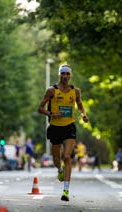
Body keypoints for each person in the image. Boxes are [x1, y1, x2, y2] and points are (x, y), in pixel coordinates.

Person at [37, 64, 89, 202]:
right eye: (63, 74)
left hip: (69, 127)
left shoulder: (75, 91)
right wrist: (52, 113)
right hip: (55, 127)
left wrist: (84, 115)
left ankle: (66, 191)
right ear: (59, 75)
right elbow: (40, 108)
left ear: (70, 75)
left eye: (67, 74)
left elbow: (80, 105)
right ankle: (59, 169)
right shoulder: (51, 91)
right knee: (56, 160)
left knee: (67, 156)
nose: (65, 76)